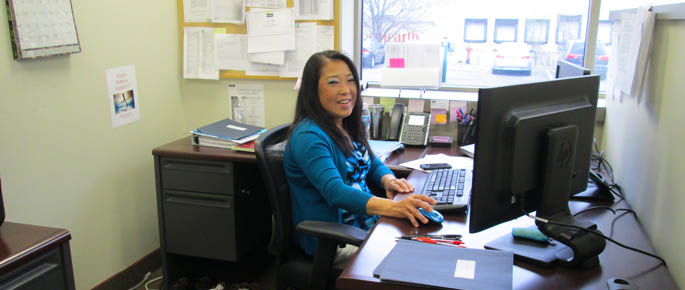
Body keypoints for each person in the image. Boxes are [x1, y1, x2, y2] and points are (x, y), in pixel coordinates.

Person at [283, 50, 437, 258]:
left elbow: (371, 163)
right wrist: (395, 207)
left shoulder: (344, 124)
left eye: (350, 81)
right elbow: (336, 192)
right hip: (336, 241)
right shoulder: (309, 136)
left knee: (429, 247)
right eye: (333, 82)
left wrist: (389, 181)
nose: (345, 90)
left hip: (366, 224)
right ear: (312, 90)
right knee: (415, 260)